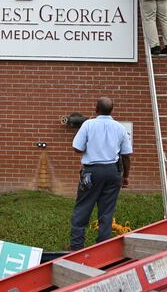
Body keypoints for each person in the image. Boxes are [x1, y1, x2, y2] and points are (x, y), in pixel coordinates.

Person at [69, 97, 132, 251]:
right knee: (107, 211)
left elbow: (77, 148)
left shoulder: (88, 125)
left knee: (83, 207)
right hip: (113, 172)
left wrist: (92, 147)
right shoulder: (120, 128)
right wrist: (125, 177)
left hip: (91, 172)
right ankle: (103, 248)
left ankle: (76, 246)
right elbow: (126, 155)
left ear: (96, 109)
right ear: (112, 110)